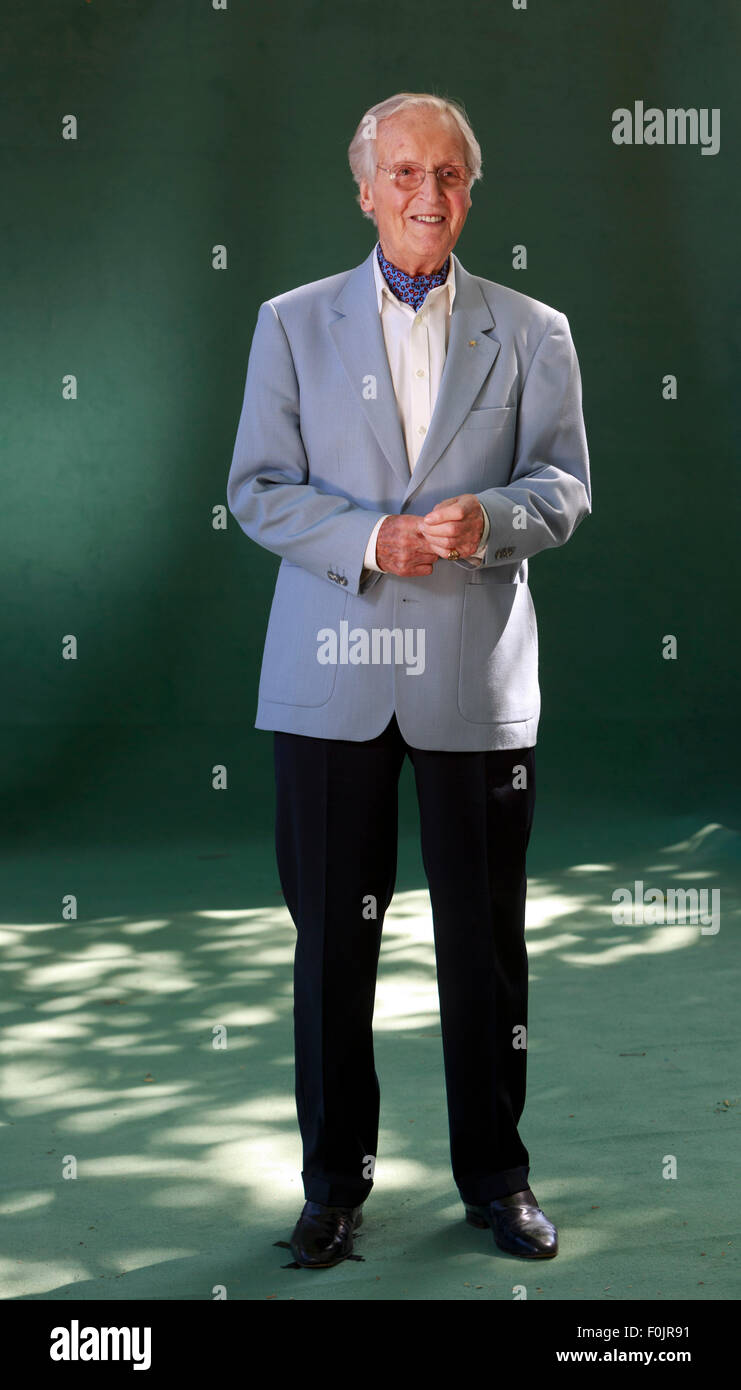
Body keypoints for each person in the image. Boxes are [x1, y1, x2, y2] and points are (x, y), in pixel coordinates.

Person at [227, 91, 591, 1268]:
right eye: (402, 172)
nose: (425, 193)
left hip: (473, 680)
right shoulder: (289, 322)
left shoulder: (535, 329)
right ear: (365, 187)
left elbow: (565, 488)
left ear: (470, 191)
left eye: (447, 173)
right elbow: (259, 486)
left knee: (483, 942)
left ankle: (498, 1177)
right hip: (331, 670)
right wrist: (366, 539)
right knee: (332, 939)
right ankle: (333, 1187)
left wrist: (489, 516)